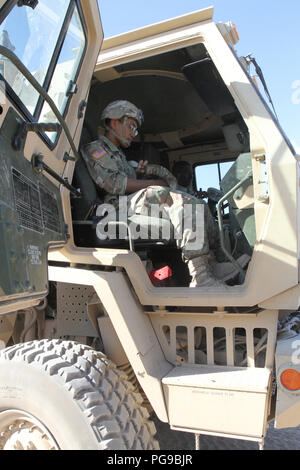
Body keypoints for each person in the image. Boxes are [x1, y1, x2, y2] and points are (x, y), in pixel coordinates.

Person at [81, 100, 247, 288]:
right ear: (113, 122)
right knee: (171, 197)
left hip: (129, 201)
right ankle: (201, 277)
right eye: (131, 127)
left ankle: (212, 264)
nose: (133, 134)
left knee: (196, 204)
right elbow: (114, 184)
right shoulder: (96, 149)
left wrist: (142, 172)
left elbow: (127, 179)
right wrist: (152, 183)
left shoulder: (118, 155)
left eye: (135, 130)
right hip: (114, 206)